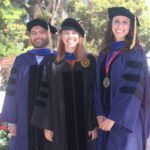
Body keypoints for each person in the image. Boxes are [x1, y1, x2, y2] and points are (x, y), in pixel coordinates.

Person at [31, 18, 97, 150]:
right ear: (61, 36)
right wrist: (47, 125)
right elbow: (44, 94)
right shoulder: (51, 62)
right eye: (66, 33)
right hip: (58, 123)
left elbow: (94, 94)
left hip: (83, 124)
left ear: (80, 37)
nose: (70, 36)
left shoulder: (89, 61)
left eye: (74, 33)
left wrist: (93, 125)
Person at [94, 7, 150, 150]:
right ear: (110, 25)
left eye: (125, 22)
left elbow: (132, 90)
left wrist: (113, 118)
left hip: (126, 120)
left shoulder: (135, 53)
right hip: (104, 119)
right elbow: (97, 86)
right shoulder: (104, 53)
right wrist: (99, 113)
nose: (120, 26)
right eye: (116, 21)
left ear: (131, 27)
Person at [0, 18, 57, 150]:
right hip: (24, 118)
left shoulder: (58, 59)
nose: (37, 36)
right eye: (33, 32)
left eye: (42, 32)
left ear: (49, 35)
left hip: (51, 120)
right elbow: (11, 90)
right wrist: (11, 120)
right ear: (30, 36)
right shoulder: (21, 60)